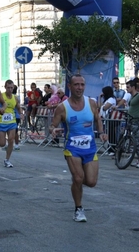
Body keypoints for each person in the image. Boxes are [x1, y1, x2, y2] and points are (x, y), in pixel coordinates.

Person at [49, 74, 107, 222]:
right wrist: (53, 130)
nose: (79, 87)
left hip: (90, 148)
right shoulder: (63, 107)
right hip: (72, 148)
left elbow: (98, 118)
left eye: (82, 84)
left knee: (91, 182)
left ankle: (76, 181)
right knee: (78, 177)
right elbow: (52, 125)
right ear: (70, 86)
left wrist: (101, 133)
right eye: (76, 85)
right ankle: (78, 209)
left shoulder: (91, 103)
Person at [0, 80, 24, 167]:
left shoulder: (15, 97)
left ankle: (7, 160)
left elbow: (18, 107)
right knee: (2, 144)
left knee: (11, 140)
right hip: (2, 122)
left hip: (12, 121)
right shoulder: (1, 96)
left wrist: (21, 113)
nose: (10, 89)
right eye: (8, 87)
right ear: (5, 87)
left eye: (12, 88)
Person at [99, 86, 117, 155]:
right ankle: (109, 148)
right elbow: (99, 106)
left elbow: (105, 108)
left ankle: (113, 149)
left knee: (112, 133)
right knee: (108, 133)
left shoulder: (112, 99)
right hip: (106, 119)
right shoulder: (106, 100)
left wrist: (103, 106)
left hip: (111, 118)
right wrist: (100, 98)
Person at [13, 85, 21, 150]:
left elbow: (18, 106)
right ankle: (14, 143)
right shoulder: (17, 97)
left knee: (15, 131)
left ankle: (16, 144)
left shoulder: (15, 97)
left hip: (15, 116)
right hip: (14, 116)